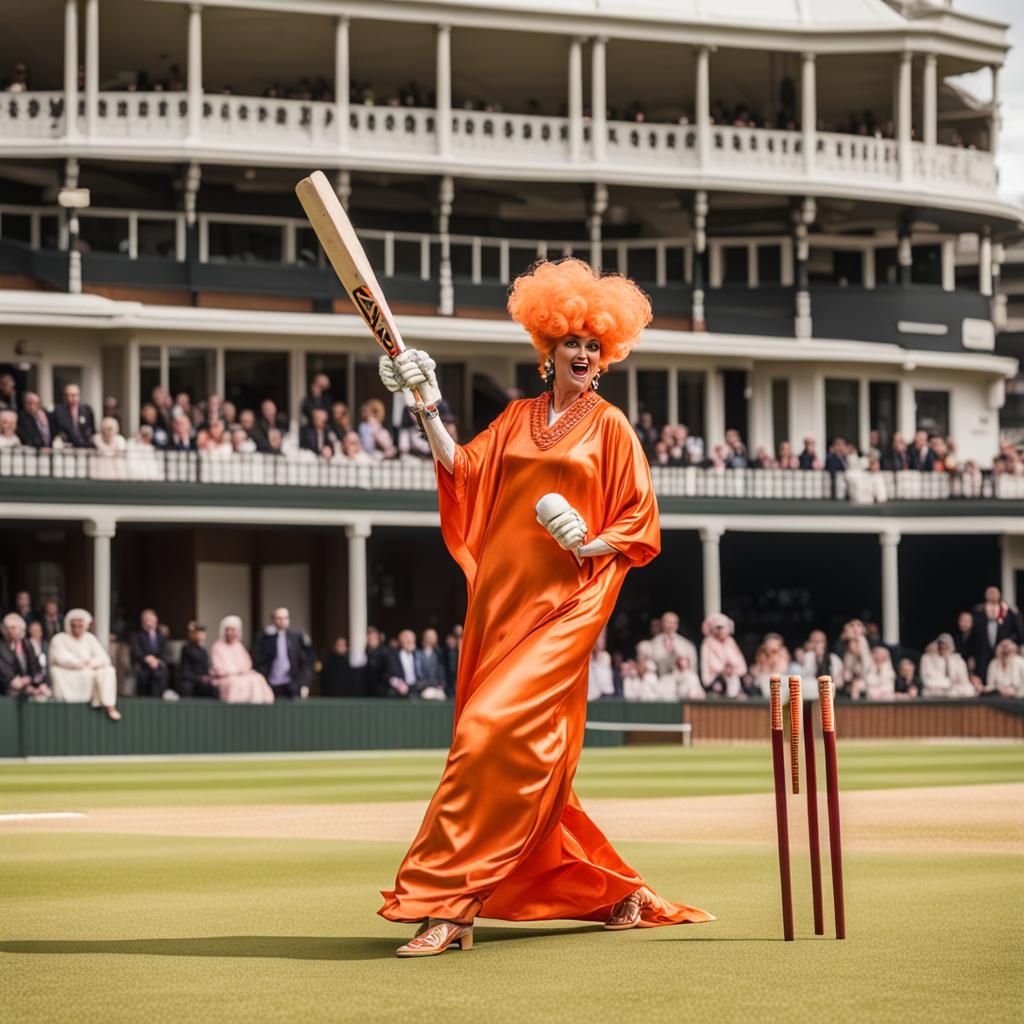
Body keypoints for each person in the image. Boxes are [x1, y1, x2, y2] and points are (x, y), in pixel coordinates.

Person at [375, 257, 711, 956]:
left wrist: (589, 543)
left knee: (485, 737)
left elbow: (641, 522)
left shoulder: (612, 426)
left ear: (606, 354)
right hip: (502, 602)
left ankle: (449, 904)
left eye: (594, 344)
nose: (584, 353)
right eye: (571, 343)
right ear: (547, 350)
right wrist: (424, 402)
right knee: (530, 759)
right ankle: (612, 890)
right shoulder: (518, 417)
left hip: (567, 605)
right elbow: (462, 470)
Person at [47, 609, 121, 720]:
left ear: (86, 625)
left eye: (80, 625)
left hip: (89, 669)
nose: (77, 628)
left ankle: (109, 705)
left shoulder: (90, 638)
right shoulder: (59, 638)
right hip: (68, 672)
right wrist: (79, 663)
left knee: (109, 671)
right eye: (74, 625)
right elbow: (60, 657)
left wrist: (90, 663)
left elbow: (104, 658)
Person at [209, 616, 274, 703]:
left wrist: (243, 672)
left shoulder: (239, 646)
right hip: (226, 678)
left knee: (258, 679)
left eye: (233, 630)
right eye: (228, 629)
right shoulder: (217, 646)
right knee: (237, 683)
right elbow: (218, 668)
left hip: (243, 675)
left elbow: (248, 663)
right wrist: (236, 672)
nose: (230, 632)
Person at [254, 607, 312, 699]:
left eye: (285, 618)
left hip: (292, 682)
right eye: (279, 618)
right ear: (273, 620)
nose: (282, 621)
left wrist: (304, 682)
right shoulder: (265, 638)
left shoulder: (296, 637)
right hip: (271, 681)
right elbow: (259, 658)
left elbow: (306, 659)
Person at [0, 613, 50, 699]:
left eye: (13, 627)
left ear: (21, 629)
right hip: (8, 688)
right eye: (6, 628)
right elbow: (3, 670)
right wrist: (13, 681)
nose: (9, 631)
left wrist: (38, 683)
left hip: (28, 685)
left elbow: (36, 667)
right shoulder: (1, 646)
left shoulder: (27, 644)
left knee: (44, 693)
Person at [700, 612, 749, 698]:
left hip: (734, 675)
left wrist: (732, 669)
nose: (720, 631)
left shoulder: (730, 641)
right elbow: (709, 662)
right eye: (718, 628)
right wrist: (724, 670)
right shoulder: (708, 642)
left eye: (723, 628)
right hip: (716, 677)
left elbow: (739, 661)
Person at [130, 608, 170, 697]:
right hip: (143, 665)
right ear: (142, 621)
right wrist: (147, 659)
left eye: (152, 620)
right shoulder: (137, 635)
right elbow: (136, 652)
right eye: (147, 620)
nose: (149, 622)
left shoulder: (161, 636)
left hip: (158, 665)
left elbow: (164, 652)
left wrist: (157, 661)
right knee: (145, 675)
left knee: (160, 673)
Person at [178, 621, 217, 698]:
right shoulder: (186, 648)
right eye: (198, 632)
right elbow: (185, 671)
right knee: (186, 687)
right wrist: (199, 678)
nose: (201, 635)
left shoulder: (203, 650)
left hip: (202, 680)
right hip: (191, 680)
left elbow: (205, 668)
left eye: (202, 633)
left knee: (214, 688)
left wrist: (208, 676)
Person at [53, 383, 96, 448]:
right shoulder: (58, 410)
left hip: (85, 446)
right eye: (67, 395)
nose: (69, 398)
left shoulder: (87, 410)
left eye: (73, 395)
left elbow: (92, 430)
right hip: (67, 447)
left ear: (78, 396)